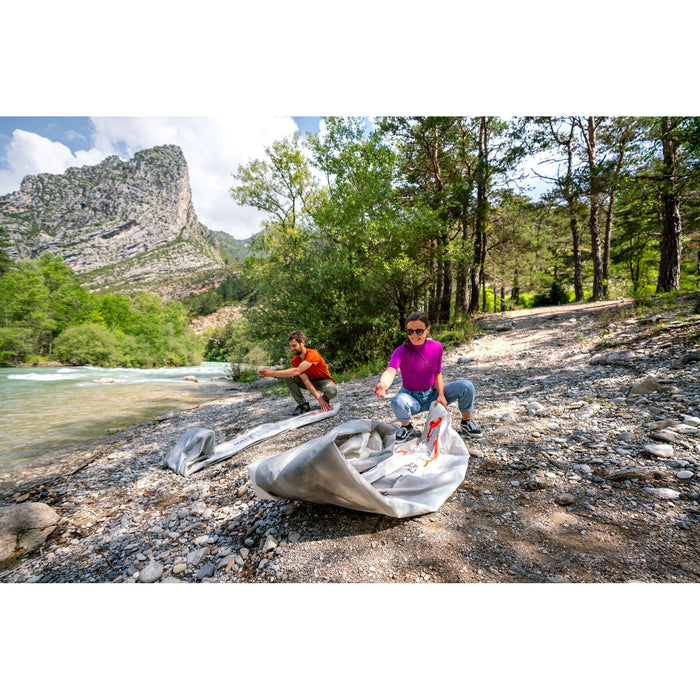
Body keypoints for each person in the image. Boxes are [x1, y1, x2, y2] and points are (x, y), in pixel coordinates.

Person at [373, 311, 482, 441]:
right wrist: (383, 385)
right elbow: (391, 370)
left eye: (419, 331)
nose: (414, 335)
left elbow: (437, 374)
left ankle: (466, 422)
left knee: (466, 386)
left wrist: (441, 394)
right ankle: (406, 427)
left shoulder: (436, 347)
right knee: (398, 401)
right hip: (411, 398)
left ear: (427, 330)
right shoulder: (400, 351)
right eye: (410, 331)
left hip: (433, 394)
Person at [259, 330, 337, 414]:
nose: (292, 349)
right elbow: (305, 380)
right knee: (288, 376)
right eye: (291, 346)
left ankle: (325, 400)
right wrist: (318, 398)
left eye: (294, 345)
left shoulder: (313, 354)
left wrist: (272, 373)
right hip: (309, 380)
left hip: (323, 381)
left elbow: (298, 370)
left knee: (332, 391)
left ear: (302, 342)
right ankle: (303, 405)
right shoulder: (295, 361)